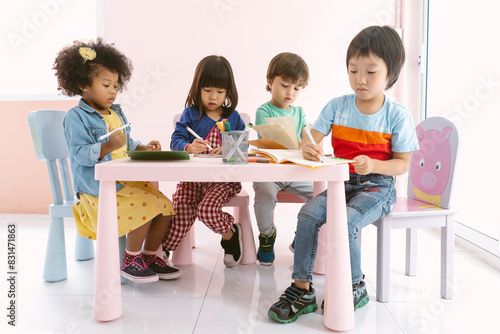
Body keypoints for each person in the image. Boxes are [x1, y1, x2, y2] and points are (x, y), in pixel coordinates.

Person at [268, 26, 419, 323]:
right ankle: (302, 288)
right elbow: (310, 138)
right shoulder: (337, 106)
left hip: (379, 188)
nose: (360, 79)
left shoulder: (397, 115)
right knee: (308, 214)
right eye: (353, 70)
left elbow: (402, 164)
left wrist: (374, 165)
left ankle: (355, 285)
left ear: (391, 74)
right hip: (342, 185)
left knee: (345, 222)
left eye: (371, 72)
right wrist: (308, 146)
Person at [54, 38, 180, 284]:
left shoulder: (117, 113)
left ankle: (150, 255)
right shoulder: (76, 117)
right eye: (106, 84)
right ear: (83, 84)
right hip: (98, 191)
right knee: (146, 207)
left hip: (126, 183)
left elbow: (128, 143)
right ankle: (130, 260)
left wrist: (142, 147)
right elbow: (79, 154)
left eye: (115, 84)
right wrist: (108, 146)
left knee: (165, 207)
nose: (113, 90)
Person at [163, 55, 246, 268]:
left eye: (220, 92)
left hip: (222, 181)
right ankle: (162, 251)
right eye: (207, 90)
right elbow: (176, 140)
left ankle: (230, 234)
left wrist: (229, 148)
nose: (213, 96)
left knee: (206, 210)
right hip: (191, 180)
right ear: (198, 88)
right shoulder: (190, 114)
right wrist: (188, 147)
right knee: (179, 215)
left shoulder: (233, 117)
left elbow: (242, 151)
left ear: (228, 92)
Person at [253, 52, 314, 265]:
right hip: (271, 171)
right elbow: (270, 141)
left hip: (295, 171)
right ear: (270, 82)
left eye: (297, 88)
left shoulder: (299, 112)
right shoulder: (263, 110)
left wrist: (309, 144)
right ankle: (267, 236)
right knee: (265, 192)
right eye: (285, 85)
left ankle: (303, 236)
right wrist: (297, 143)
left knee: (320, 195)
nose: (291, 92)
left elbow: (307, 137)